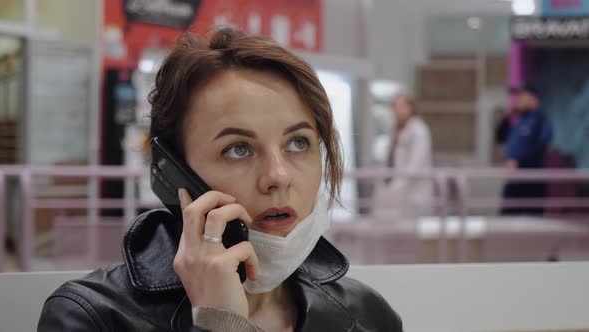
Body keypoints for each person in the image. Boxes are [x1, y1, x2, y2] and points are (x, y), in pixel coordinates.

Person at [38, 28, 403, 331]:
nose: (278, 176)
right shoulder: (91, 317)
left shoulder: (367, 315)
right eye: (238, 149)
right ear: (173, 171)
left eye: (297, 142)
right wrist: (219, 324)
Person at [373, 93, 434, 219]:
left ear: (411, 108)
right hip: (395, 192)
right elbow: (389, 161)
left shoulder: (419, 131)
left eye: (400, 106)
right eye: (394, 106)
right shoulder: (395, 130)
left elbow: (414, 166)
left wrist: (394, 187)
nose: (396, 110)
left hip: (413, 194)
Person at [497, 85, 552, 215]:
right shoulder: (518, 121)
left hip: (532, 179)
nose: (517, 100)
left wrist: (518, 162)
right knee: (507, 217)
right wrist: (506, 118)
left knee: (533, 221)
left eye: (521, 96)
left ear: (533, 99)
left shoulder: (540, 120)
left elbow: (540, 146)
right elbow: (500, 137)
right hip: (514, 179)